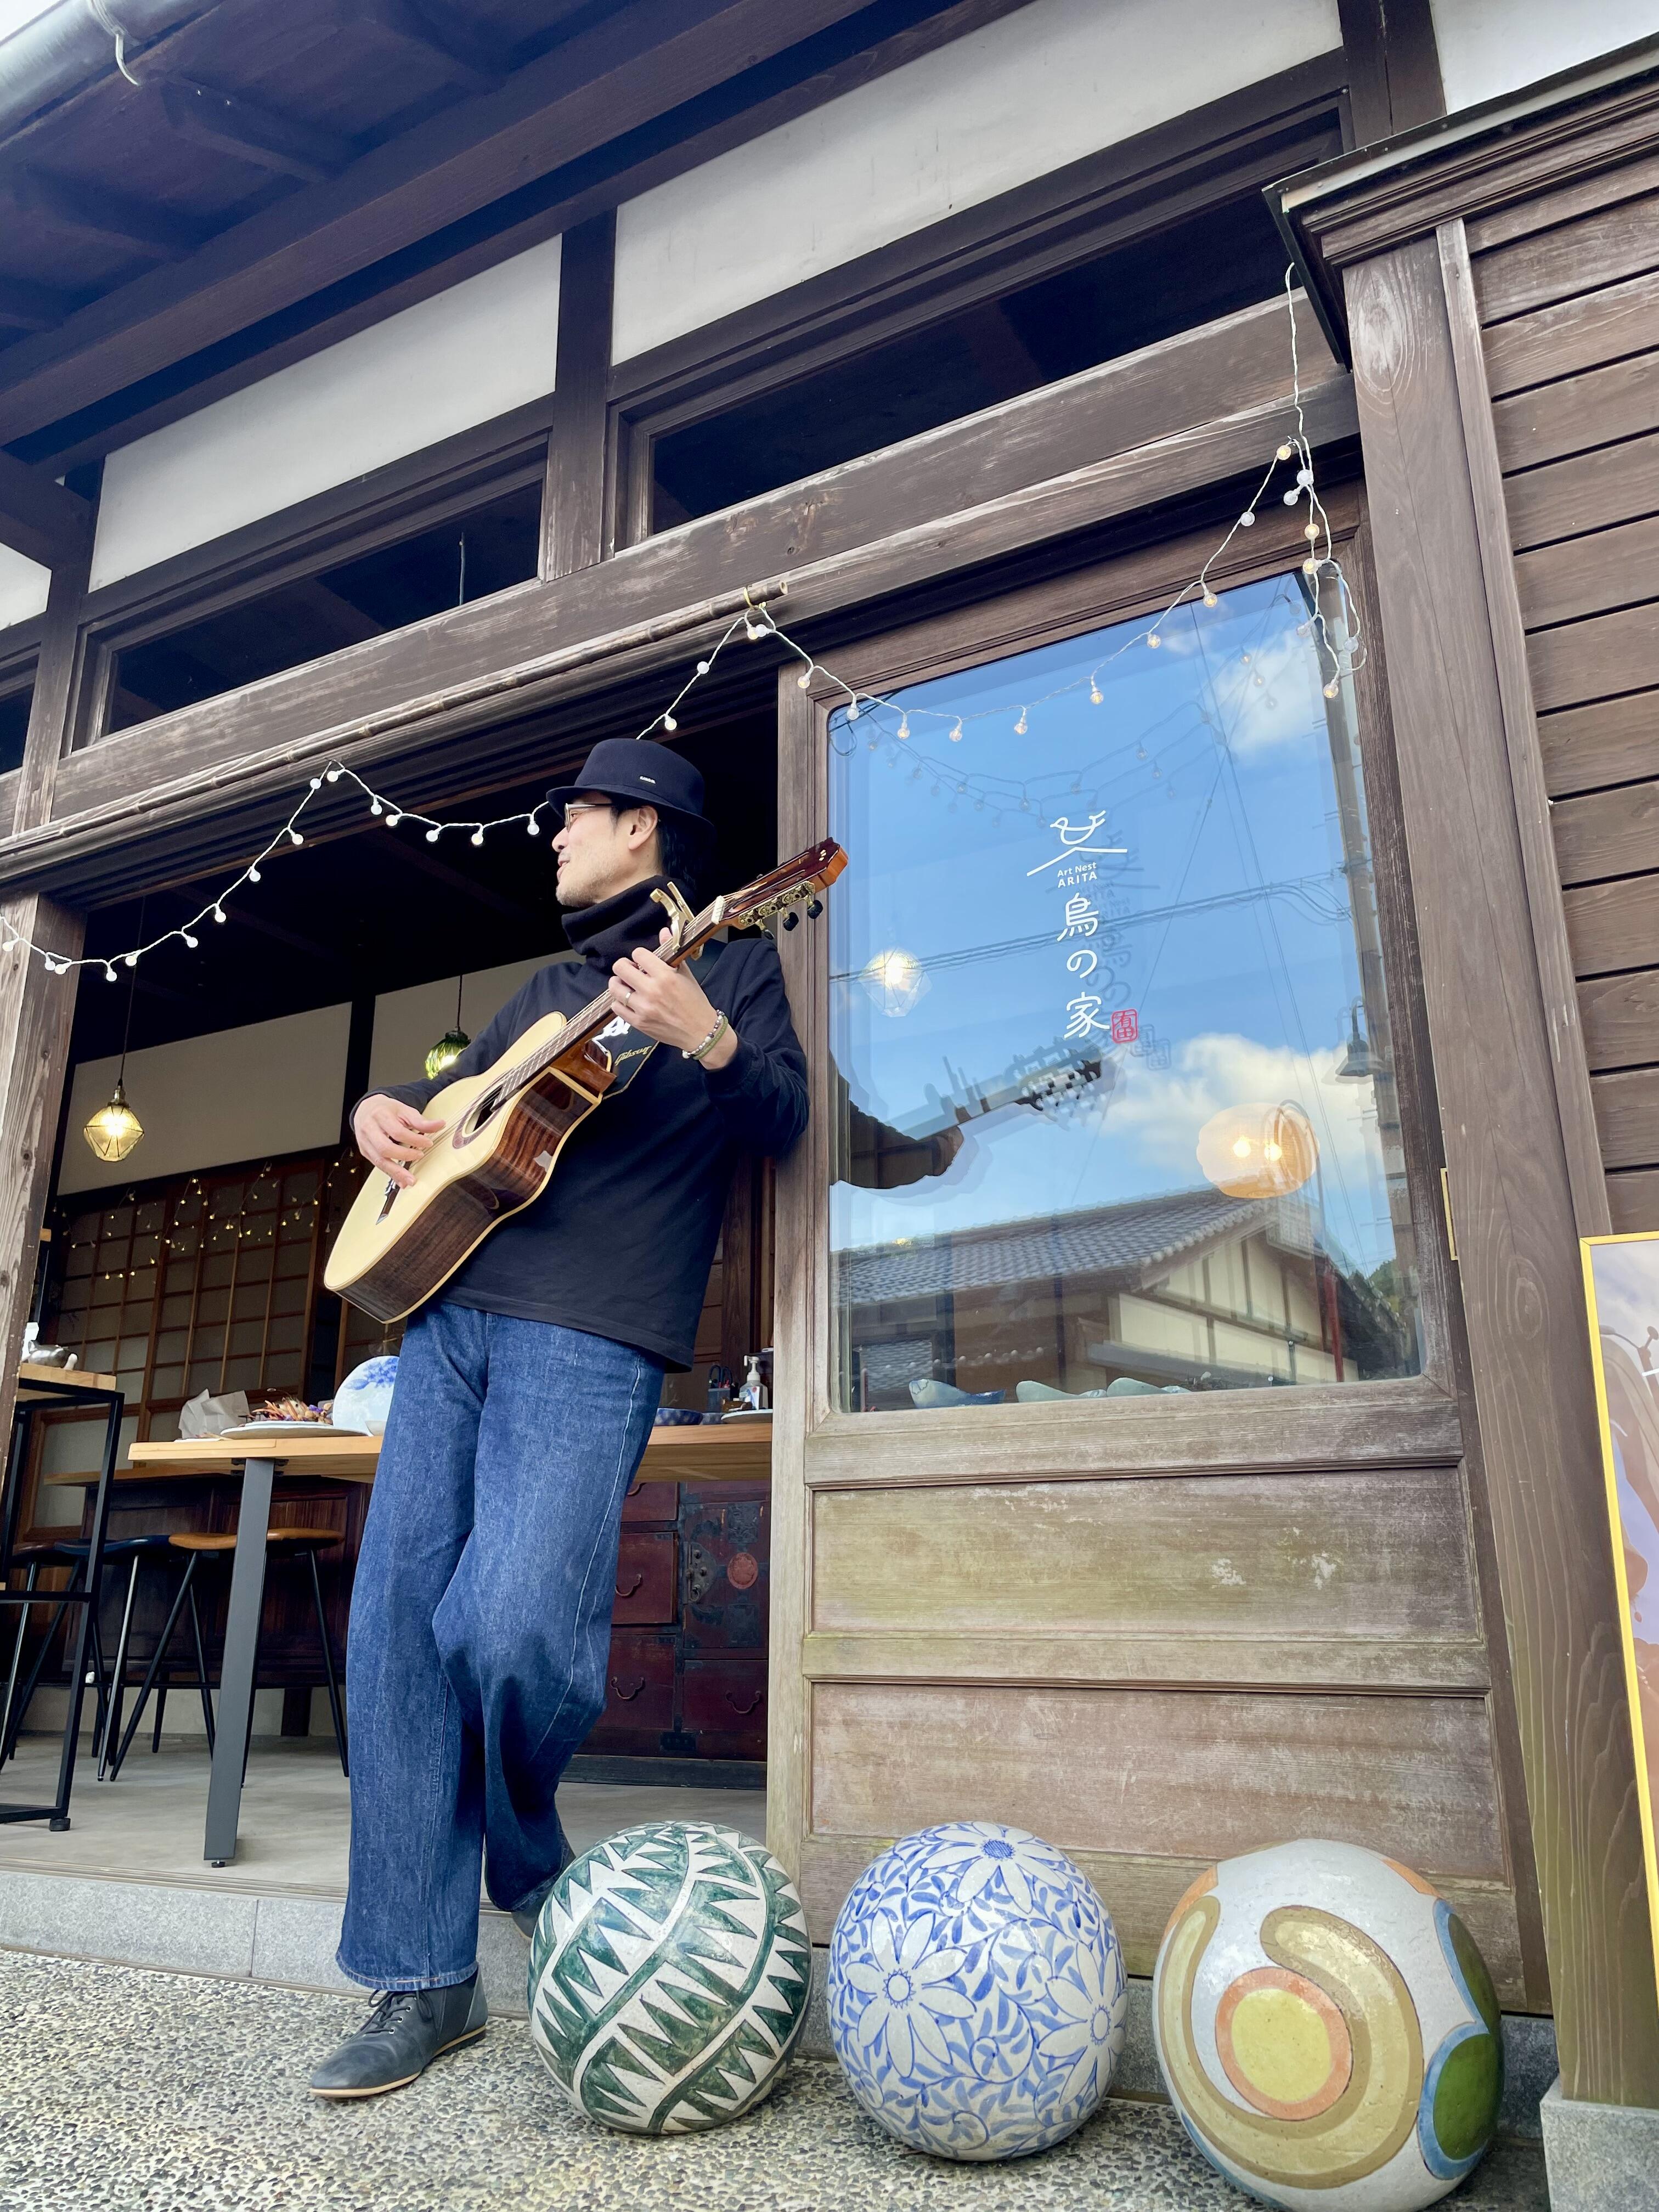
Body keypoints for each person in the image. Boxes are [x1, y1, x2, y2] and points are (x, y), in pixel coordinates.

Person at [308, 738, 807, 2100]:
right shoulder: (546, 990)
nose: (555, 838)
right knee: (399, 1630)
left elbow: (786, 1116)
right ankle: (422, 1981)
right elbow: (453, 1115)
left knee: (516, 1617)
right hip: (451, 1320)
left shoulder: (737, 961)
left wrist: (702, 1034)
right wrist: (385, 1117)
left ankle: (521, 1836)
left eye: (573, 817)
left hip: (594, 1334)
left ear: (642, 827)